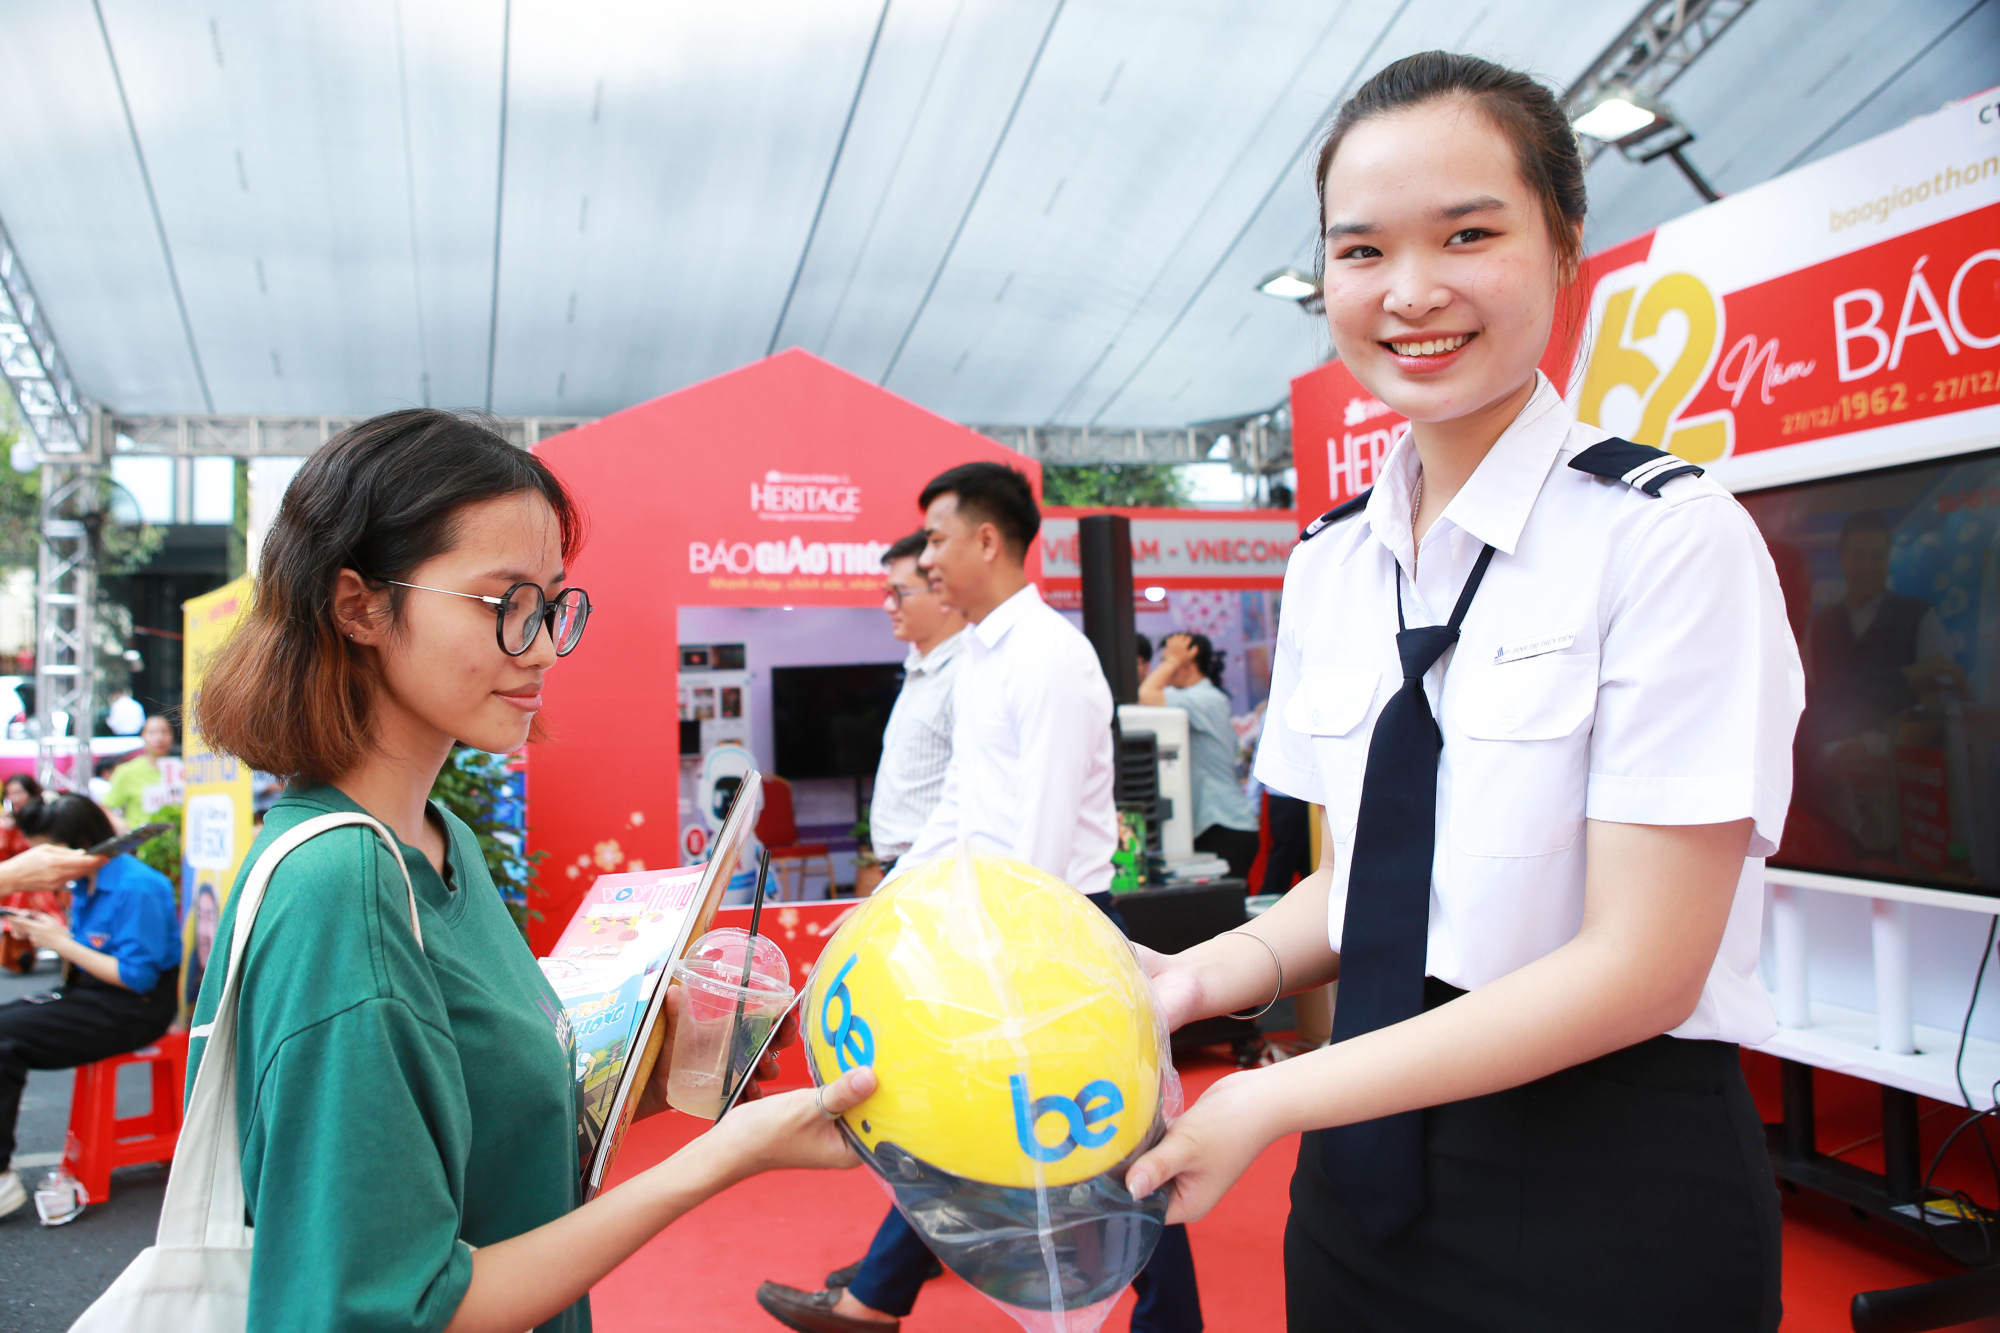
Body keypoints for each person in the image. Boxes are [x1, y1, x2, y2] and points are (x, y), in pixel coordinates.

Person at [1120, 53, 1802, 1331]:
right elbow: (1364, 881)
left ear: (1564, 254)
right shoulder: (1330, 560)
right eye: (1361, 250)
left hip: (1605, 1182)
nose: (1410, 292)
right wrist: (1184, 982)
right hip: (1356, 1174)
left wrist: (1271, 1096)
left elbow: (1643, 967)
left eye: (1468, 234)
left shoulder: (1663, 539)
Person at [184, 410, 876, 1333]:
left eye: (552, 603)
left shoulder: (437, 838)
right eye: (505, 602)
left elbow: (475, 1137)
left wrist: (655, 1057)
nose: (545, 644)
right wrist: (728, 1156)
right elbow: (399, 1308)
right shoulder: (341, 890)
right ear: (357, 605)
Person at [757, 462, 1203, 1333]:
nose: (925, 560)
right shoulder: (981, 657)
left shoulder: (1050, 658)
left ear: (987, 540)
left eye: (934, 538)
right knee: (1044, 1138)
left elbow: (1036, 837)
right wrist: (880, 910)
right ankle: (886, 1296)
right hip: (995, 939)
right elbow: (960, 809)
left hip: (1056, 940)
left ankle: (1155, 1319)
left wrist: (997, 959)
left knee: (1116, 1140)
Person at [0, 793, 179, 1219]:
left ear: (81, 844)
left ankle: (3, 1179)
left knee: (3, 1043)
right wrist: (53, 935)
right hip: (90, 994)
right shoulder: (84, 882)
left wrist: (61, 943)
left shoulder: (139, 886)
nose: (39, 867)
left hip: (134, 1008)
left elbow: (137, 977)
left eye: (47, 854)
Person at [865, 531, 968, 873]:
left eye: (898, 593)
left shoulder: (967, 674)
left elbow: (967, 800)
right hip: (910, 870)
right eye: (886, 593)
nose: (888, 606)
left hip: (936, 870)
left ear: (939, 589)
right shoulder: (919, 669)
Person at [1140, 631, 1259, 877]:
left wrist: (1174, 659)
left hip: (1225, 827)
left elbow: (1147, 694)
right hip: (1219, 826)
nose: (1163, 668)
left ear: (1188, 664)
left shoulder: (1205, 699)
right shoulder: (1199, 699)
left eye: (1167, 661)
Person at [0, 774, 57, 973]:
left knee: (28, 892)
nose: (14, 798)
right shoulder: (7, 823)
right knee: (18, 892)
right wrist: (5, 831)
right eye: (10, 793)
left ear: (30, 792)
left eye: (18, 792)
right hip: (18, 878)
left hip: (44, 875)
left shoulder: (47, 815)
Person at [102, 714, 177, 834]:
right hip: (139, 845)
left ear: (172, 737)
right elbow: (105, 806)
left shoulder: (183, 770)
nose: (159, 738)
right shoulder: (127, 771)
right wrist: (120, 824)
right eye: (152, 732)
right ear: (143, 736)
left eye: (164, 732)